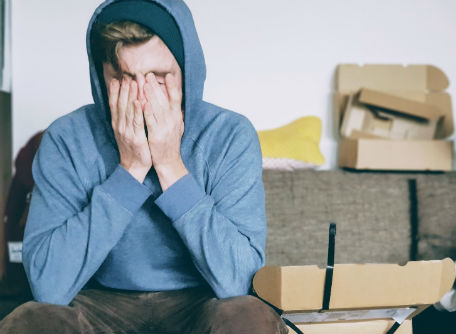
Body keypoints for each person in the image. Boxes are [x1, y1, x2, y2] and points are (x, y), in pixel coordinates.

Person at [0, 0, 287, 333]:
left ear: (186, 73)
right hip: (98, 303)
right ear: (101, 77)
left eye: (160, 78)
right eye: (123, 78)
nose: (141, 99)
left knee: (249, 318)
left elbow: (239, 282)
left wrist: (171, 167)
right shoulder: (67, 138)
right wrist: (130, 170)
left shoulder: (230, 135)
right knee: (32, 322)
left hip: (202, 302)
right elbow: (48, 288)